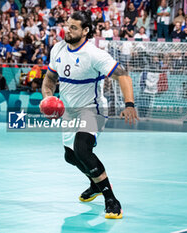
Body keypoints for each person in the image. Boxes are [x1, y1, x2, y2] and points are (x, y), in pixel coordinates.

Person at [41, 11, 138, 219]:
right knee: (70, 157)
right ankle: (95, 184)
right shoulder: (57, 48)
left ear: (85, 31)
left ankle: (111, 199)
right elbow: (49, 79)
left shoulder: (95, 54)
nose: (68, 30)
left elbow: (123, 75)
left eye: (74, 27)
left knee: (82, 150)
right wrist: (48, 97)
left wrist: (129, 104)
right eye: (67, 25)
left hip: (92, 109)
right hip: (69, 112)